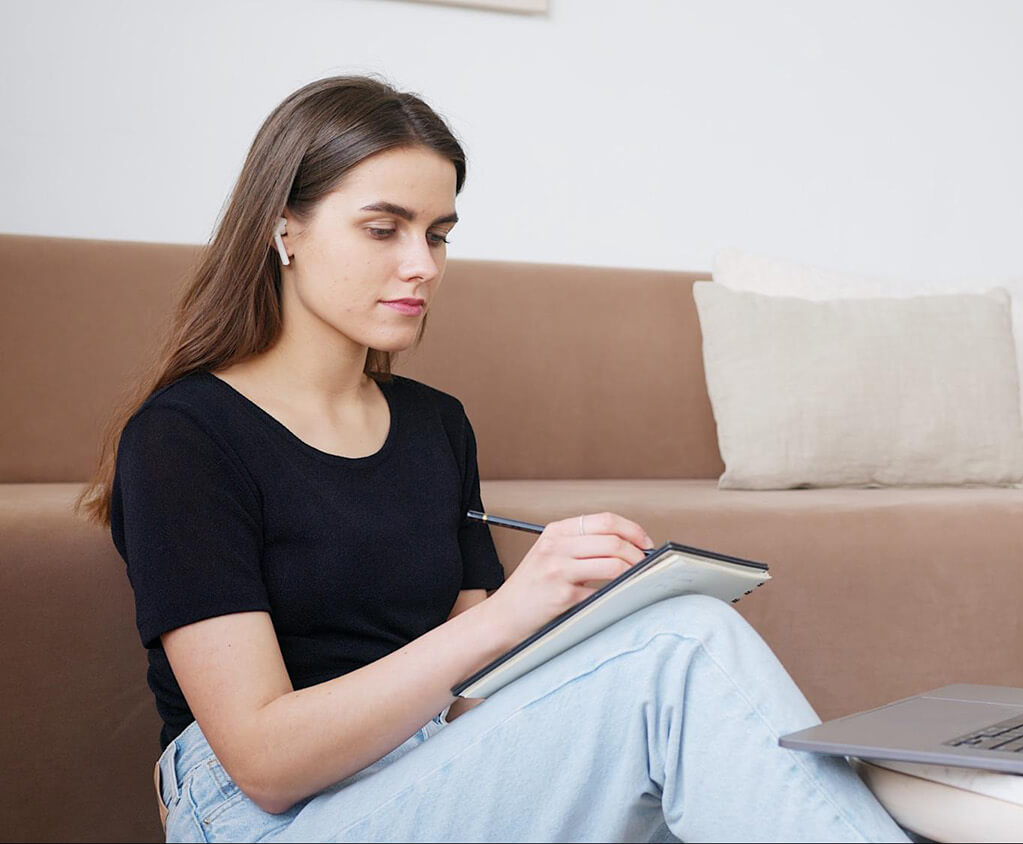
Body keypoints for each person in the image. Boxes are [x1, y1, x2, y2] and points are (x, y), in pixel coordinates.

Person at [75, 74, 908, 843]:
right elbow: (264, 763)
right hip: (265, 817)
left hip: (422, 764)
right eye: (383, 228)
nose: (421, 266)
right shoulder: (185, 438)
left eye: (438, 235)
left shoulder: (437, 426)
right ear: (282, 227)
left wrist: (584, 622)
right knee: (682, 649)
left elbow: (474, 698)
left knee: (672, 643)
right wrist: (517, 610)